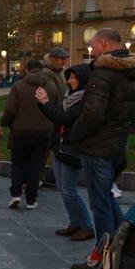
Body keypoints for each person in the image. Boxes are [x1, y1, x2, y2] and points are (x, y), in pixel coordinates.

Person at [69, 28, 135, 269]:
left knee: (99, 203)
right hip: (117, 142)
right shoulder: (133, 72)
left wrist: (74, 135)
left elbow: (92, 112)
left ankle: (103, 259)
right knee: (107, 197)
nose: (92, 51)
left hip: (98, 145)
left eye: (93, 46)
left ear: (102, 44)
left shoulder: (104, 72)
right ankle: (121, 248)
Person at [35, 64, 95, 242]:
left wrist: (45, 103)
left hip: (72, 148)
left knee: (69, 190)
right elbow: (57, 115)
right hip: (60, 145)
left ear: (82, 79)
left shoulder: (85, 99)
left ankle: (87, 226)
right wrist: (43, 104)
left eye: (72, 77)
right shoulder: (70, 96)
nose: (69, 81)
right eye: (68, 77)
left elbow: (64, 118)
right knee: (62, 187)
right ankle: (74, 222)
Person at [1, 60, 58, 210]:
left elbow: (10, 110)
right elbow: (57, 109)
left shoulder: (19, 86)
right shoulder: (51, 87)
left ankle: (15, 194)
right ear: (41, 70)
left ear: (27, 70)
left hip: (21, 131)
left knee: (18, 163)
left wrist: (5, 122)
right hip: (44, 133)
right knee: (35, 166)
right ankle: (31, 200)